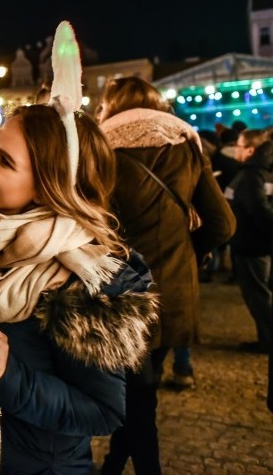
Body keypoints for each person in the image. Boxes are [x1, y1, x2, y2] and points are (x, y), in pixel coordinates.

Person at [0, 22, 158, 474]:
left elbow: (102, 411)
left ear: (48, 186)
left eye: (5, 160)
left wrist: (10, 375)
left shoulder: (86, 281)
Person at [97, 75, 235, 474]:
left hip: (123, 293)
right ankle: (112, 464)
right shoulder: (185, 144)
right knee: (142, 392)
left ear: (111, 105)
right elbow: (222, 224)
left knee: (139, 395)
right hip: (173, 290)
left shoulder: (101, 149)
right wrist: (189, 253)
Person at [225, 128, 273, 354]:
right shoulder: (256, 172)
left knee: (259, 296)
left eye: (240, 145)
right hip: (252, 242)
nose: (236, 149)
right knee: (259, 294)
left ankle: (267, 340)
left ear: (251, 150)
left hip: (251, 244)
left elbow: (259, 210)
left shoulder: (251, 175)